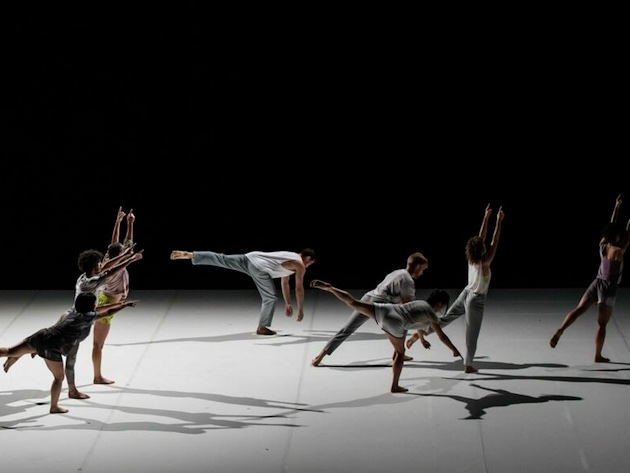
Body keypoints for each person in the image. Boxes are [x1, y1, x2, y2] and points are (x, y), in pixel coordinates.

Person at [310, 279, 460, 393]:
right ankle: (395, 386)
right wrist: (454, 350)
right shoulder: (432, 314)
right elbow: (442, 336)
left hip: (386, 310)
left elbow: (419, 324)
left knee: (353, 302)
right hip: (395, 322)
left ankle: (329, 288)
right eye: (443, 305)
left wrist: (421, 339)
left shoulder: (421, 303)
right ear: (440, 304)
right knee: (400, 352)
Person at [0, 292, 138, 413]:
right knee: (58, 378)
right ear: (90, 306)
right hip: (52, 346)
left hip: (42, 334)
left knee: (9, 351)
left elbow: (98, 309)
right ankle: (54, 407)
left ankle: (17, 356)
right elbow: (106, 313)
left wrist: (119, 304)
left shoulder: (71, 311)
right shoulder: (87, 317)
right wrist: (123, 306)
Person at [408, 203, 504, 374]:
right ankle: (468, 365)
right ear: (481, 249)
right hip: (476, 298)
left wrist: (486, 216)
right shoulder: (485, 262)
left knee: (445, 318)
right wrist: (499, 222)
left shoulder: (471, 259)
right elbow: (493, 241)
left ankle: (420, 332)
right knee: (471, 333)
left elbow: (481, 238)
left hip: (466, 292)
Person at [550, 194, 630, 362]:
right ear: (616, 236)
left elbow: (611, 227)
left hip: (597, 282)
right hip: (609, 288)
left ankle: (560, 330)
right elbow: (625, 237)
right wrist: (629, 228)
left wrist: (616, 208)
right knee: (602, 324)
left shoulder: (603, 245)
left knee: (578, 310)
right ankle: (597, 355)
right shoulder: (618, 251)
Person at [311, 252, 429, 367]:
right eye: (423, 269)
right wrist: (421, 336)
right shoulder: (408, 281)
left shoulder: (397, 272)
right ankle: (399, 354)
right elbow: (408, 311)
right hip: (379, 304)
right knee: (403, 321)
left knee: (347, 328)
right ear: (417, 266)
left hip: (368, 297)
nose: (423, 273)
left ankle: (319, 357)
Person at [170, 248, 316, 335]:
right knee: (270, 298)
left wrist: (288, 303)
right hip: (259, 268)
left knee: (223, 259)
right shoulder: (300, 265)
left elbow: (285, 281)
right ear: (307, 258)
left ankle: (192, 255)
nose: (308, 266)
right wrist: (301, 309)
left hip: (250, 257)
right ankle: (262, 327)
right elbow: (298, 288)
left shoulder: (290, 256)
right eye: (310, 263)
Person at [92, 207, 136, 385]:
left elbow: (115, 242)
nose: (127, 251)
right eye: (124, 252)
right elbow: (128, 243)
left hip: (107, 299)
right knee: (98, 344)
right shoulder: (114, 268)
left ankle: (97, 375)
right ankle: (97, 376)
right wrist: (130, 224)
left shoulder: (109, 259)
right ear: (121, 256)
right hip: (108, 303)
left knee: (98, 343)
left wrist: (122, 222)